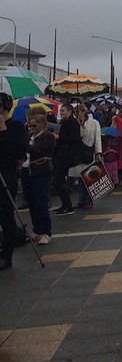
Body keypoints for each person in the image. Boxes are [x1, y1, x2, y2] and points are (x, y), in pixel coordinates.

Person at [0, 92, 28, 270]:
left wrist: (3, 130)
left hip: (7, 174)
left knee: (5, 214)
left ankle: (7, 255)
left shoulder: (16, 126)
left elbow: (19, 152)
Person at [23, 113, 55, 245]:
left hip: (40, 171)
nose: (31, 128)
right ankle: (37, 230)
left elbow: (37, 150)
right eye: (30, 125)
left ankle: (46, 232)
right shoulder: (30, 136)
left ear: (42, 124)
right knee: (31, 202)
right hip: (27, 170)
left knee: (41, 202)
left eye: (34, 125)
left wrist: (23, 143)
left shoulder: (47, 136)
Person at [52, 104, 80, 215]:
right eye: (61, 111)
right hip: (62, 154)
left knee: (58, 180)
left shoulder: (72, 122)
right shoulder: (66, 122)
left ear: (69, 111)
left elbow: (74, 138)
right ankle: (65, 204)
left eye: (63, 111)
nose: (62, 113)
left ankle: (67, 206)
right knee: (58, 181)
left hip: (66, 155)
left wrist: (59, 137)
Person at [73, 104, 102, 209]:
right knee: (80, 177)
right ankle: (81, 200)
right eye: (75, 112)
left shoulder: (94, 123)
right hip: (78, 152)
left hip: (89, 151)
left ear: (84, 112)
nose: (77, 114)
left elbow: (97, 138)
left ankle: (88, 200)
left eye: (78, 112)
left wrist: (98, 152)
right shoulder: (75, 123)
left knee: (89, 177)